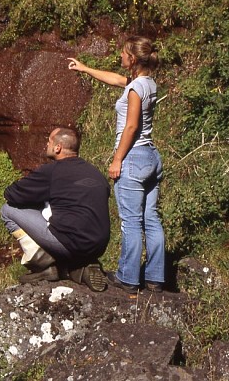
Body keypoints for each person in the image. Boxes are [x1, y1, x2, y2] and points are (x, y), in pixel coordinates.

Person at [68, 35, 164, 294]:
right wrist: (85, 68)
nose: (119, 56)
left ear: (132, 59)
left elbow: (131, 126)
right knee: (151, 219)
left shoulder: (134, 89)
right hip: (152, 157)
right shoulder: (147, 83)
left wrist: (117, 159)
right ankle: (155, 278)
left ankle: (128, 278)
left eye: (123, 53)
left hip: (133, 157)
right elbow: (115, 79)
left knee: (131, 222)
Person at [0, 127, 110, 292]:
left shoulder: (53, 171)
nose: (47, 144)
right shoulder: (95, 172)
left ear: (58, 147)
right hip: (99, 245)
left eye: (49, 141)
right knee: (60, 213)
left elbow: (12, 195)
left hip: (71, 242)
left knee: (7, 210)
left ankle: (44, 264)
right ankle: (78, 267)